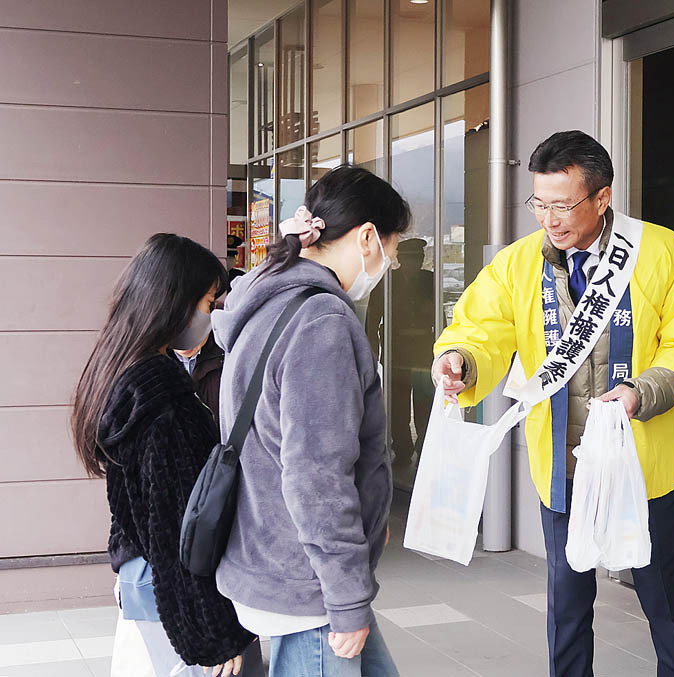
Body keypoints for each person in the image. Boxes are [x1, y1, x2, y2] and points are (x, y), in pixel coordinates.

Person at [432, 131, 674, 677]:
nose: (550, 219)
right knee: (566, 604)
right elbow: (480, 327)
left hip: (641, 464)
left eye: (563, 205)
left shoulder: (659, 252)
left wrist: (643, 390)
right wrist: (460, 360)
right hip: (561, 467)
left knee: (662, 595)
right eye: (539, 204)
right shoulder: (518, 264)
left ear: (602, 197)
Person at [212, 165, 410, 677]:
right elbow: (316, 475)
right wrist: (346, 601)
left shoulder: (267, 299)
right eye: (393, 247)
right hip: (308, 584)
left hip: (274, 557)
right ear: (367, 237)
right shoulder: (320, 319)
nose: (391, 260)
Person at [70, 234, 263, 677]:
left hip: (143, 577)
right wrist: (212, 633)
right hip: (178, 598)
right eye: (209, 302)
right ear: (174, 303)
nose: (211, 315)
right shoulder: (161, 395)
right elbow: (175, 526)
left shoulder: (118, 367)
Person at [366, 237, 435, 478]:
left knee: (424, 404)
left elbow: (441, 318)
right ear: (400, 260)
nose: (415, 263)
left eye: (418, 259)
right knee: (398, 407)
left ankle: (424, 448)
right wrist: (372, 349)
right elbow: (373, 318)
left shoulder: (431, 281)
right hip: (397, 352)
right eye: (410, 259)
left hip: (425, 354)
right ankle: (402, 448)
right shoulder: (386, 282)